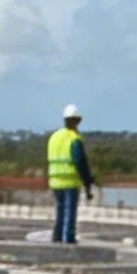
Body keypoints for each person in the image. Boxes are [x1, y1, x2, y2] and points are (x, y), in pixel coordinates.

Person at [46, 104, 96, 245]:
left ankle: (56, 238)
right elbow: (80, 161)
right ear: (77, 120)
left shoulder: (54, 137)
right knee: (69, 213)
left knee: (60, 212)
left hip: (55, 181)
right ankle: (68, 240)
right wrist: (87, 181)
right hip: (70, 181)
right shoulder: (74, 138)